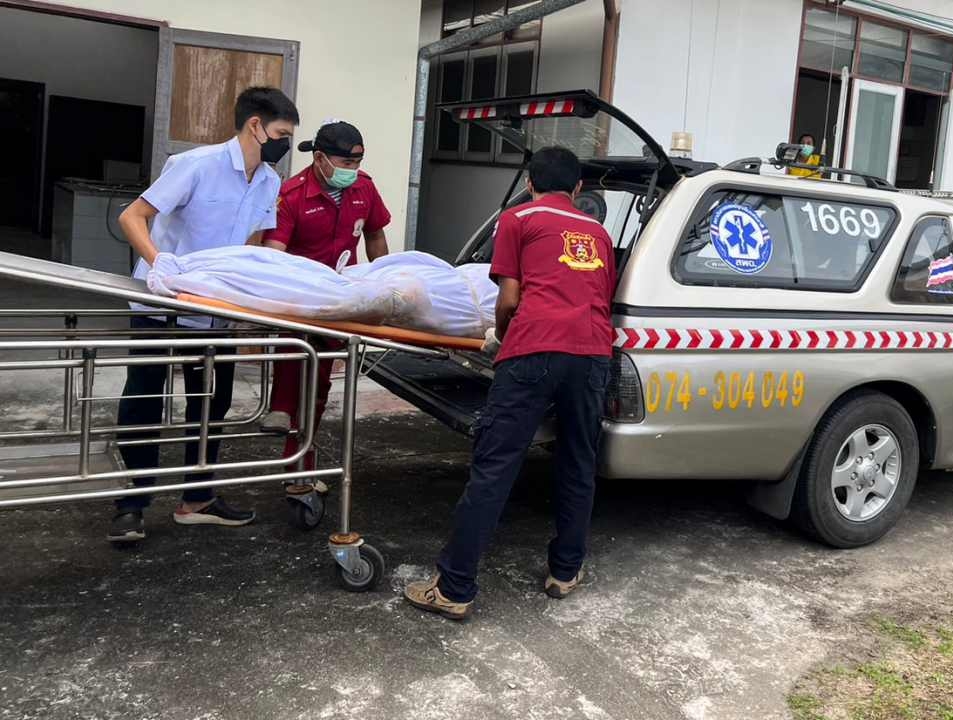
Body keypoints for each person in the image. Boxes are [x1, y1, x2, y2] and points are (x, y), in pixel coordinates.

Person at [403, 147, 615, 620]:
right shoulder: (599, 233)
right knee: (578, 462)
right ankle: (565, 571)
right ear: (578, 189)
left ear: (530, 182)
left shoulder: (517, 219)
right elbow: (600, 296)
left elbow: (510, 297)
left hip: (533, 349)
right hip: (592, 355)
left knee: (495, 465)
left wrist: (499, 336)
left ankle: (455, 588)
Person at [108, 86, 299, 544]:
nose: (285, 144)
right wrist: (161, 264)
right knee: (144, 399)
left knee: (211, 402)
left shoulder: (269, 181)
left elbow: (255, 242)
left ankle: (197, 498)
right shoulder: (196, 165)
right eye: (281, 133)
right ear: (255, 126)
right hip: (164, 303)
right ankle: (132, 505)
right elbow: (132, 217)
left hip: (215, 310)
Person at [257, 120, 392, 479]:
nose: (352, 171)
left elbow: (376, 238)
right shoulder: (292, 195)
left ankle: (298, 452)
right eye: (345, 164)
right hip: (299, 295)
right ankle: (289, 432)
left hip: (342, 295)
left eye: (356, 164)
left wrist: (385, 283)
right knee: (301, 355)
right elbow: (274, 253)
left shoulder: (364, 189)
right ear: (319, 158)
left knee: (319, 384)